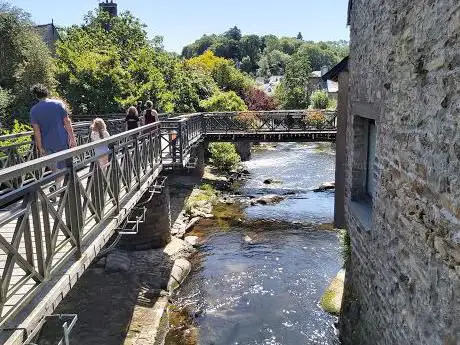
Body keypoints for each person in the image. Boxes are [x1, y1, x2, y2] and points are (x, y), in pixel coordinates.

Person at [30, 84, 77, 192]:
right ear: (47, 93)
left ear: (36, 96)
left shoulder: (34, 110)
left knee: (55, 168)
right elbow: (67, 123)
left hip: (47, 143)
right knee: (64, 166)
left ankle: (57, 188)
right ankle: (58, 187)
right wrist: (72, 138)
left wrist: (40, 146)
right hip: (62, 140)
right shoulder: (58, 104)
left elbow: (36, 131)